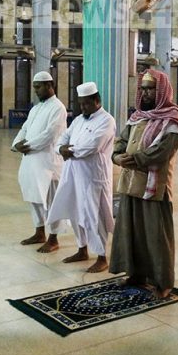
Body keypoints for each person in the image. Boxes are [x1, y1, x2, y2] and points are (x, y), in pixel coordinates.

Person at [110, 69, 178, 298]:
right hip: (131, 183)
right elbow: (121, 140)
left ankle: (163, 281)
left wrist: (134, 159)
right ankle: (136, 274)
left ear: (162, 90)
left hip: (155, 187)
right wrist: (117, 156)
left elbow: (163, 151)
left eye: (150, 89)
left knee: (156, 235)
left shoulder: (172, 120)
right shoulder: (137, 117)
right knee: (131, 231)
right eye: (143, 89)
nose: (145, 93)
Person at [47, 82, 116, 273]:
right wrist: (60, 148)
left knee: (95, 215)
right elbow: (63, 138)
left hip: (94, 177)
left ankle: (101, 257)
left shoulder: (106, 120)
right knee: (75, 212)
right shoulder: (78, 120)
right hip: (72, 174)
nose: (83, 107)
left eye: (86, 103)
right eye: (80, 104)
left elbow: (92, 146)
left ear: (97, 100)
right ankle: (82, 249)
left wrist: (68, 151)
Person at [12, 71, 68, 253]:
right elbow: (24, 128)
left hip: (48, 163)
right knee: (34, 198)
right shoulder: (36, 109)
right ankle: (39, 232)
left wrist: (27, 146)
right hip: (30, 161)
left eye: (38, 87)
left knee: (51, 201)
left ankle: (53, 238)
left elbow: (49, 135)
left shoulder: (58, 108)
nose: (35, 90)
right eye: (34, 87)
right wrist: (16, 144)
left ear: (49, 85)